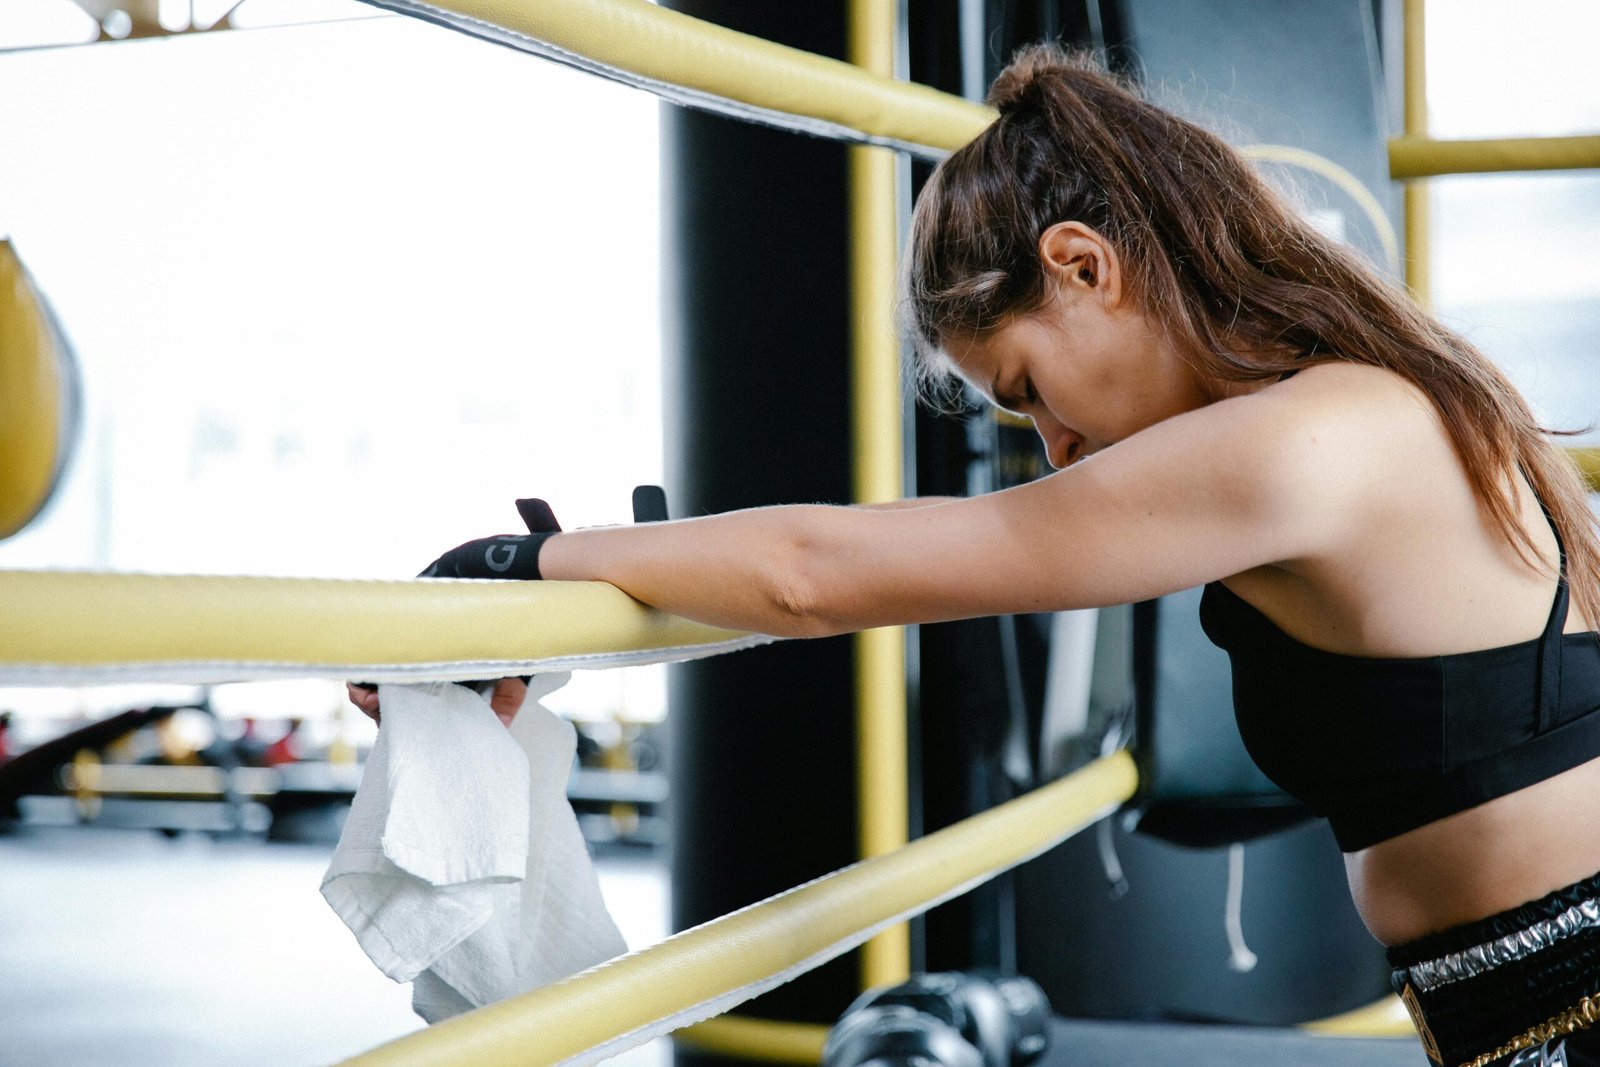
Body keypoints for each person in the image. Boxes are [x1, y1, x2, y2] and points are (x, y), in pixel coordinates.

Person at [350, 45, 1600, 1067]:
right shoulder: (1357, 402)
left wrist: (529, 564)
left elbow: (816, 570)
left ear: (1082, 264)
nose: (1055, 447)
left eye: (1030, 388)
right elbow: (892, 534)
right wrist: (591, 552)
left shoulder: (1304, 440)